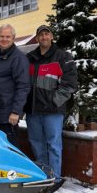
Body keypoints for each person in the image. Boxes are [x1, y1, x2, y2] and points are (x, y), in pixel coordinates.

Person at [24, 25, 78, 179]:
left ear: (52, 36)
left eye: (46, 34)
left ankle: (55, 179)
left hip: (53, 111)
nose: (44, 37)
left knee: (53, 146)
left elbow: (70, 84)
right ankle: (43, 178)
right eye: (41, 35)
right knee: (36, 144)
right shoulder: (30, 58)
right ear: (37, 38)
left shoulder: (63, 57)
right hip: (33, 110)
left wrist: (54, 101)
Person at [0, 24, 30, 147]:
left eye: (7, 36)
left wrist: (16, 111)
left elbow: (23, 86)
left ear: (13, 38)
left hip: (8, 115)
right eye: (1, 36)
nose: (4, 39)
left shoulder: (18, 58)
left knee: (9, 148)